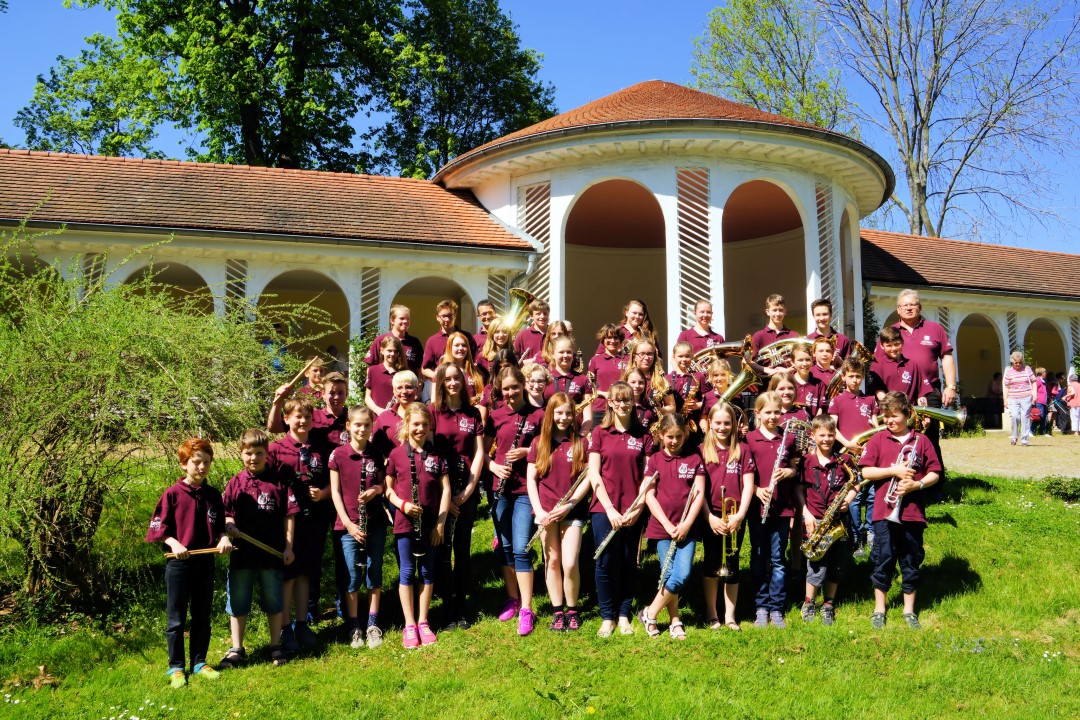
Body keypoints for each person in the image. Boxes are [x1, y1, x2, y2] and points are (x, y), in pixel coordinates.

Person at [146, 437, 233, 687]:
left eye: (206, 462)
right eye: (196, 462)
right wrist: (174, 543)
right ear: (184, 464)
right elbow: (159, 529)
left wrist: (223, 538)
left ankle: (199, 662)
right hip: (179, 565)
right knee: (176, 619)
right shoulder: (172, 494)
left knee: (202, 615)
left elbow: (219, 527)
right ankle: (176, 667)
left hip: (205, 562)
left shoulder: (213, 495)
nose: (202, 467)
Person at [859, 392, 942, 630]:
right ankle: (879, 609)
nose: (889, 420)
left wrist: (918, 484)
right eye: (885, 416)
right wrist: (893, 471)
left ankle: (909, 610)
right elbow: (866, 472)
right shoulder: (878, 439)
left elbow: (935, 473)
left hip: (912, 513)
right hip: (884, 512)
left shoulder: (921, 441)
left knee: (910, 561)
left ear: (907, 414)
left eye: (894, 415)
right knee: (882, 559)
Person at [220, 429, 298, 668]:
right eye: (248, 453)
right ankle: (236, 648)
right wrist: (230, 525)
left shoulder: (279, 482)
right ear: (241, 454)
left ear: (267, 454)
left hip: (271, 554)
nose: (253, 458)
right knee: (238, 600)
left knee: (274, 600)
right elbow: (226, 513)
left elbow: (289, 516)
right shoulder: (235, 482)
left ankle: (275, 645)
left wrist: (288, 547)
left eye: (259, 453)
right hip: (242, 554)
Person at [267, 397, 333, 655]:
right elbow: (268, 483)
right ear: (286, 419)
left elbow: (333, 479)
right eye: (297, 416)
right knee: (289, 573)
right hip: (286, 521)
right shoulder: (276, 449)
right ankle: (285, 627)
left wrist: (323, 493)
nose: (303, 421)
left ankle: (302, 624)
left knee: (306, 571)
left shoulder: (320, 448)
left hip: (314, 519)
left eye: (307, 416)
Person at [589, 381, 654, 638]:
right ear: (611, 403)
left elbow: (648, 477)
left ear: (633, 403)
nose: (623, 404)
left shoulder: (644, 436)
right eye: (618, 400)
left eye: (627, 399)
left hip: (632, 509)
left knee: (629, 561)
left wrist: (638, 508)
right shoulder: (600, 433)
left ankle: (624, 614)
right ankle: (607, 617)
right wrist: (609, 509)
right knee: (605, 562)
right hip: (603, 508)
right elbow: (594, 474)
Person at [485, 365, 546, 635]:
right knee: (505, 546)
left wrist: (527, 450)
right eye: (505, 389)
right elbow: (482, 452)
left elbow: (550, 448)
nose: (510, 393)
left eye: (514, 387)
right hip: (500, 487)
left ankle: (527, 608)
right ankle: (513, 598)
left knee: (521, 547)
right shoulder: (495, 415)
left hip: (524, 489)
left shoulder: (538, 415)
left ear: (523, 385)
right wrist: (493, 467)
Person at [385, 403, 451, 648]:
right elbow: (387, 490)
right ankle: (409, 624)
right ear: (406, 425)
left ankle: (424, 621)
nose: (420, 428)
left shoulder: (437, 455)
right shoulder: (396, 454)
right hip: (405, 522)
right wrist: (402, 505)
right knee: (406, 572)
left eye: (424, 424)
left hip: (431, 524)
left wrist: (440, 523)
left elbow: (446, 490)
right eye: (415, 424)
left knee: (426, 571)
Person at [526, 392, 591, 632]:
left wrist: (570, 504)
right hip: (546, 512)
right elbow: (531, 479)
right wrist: (539, 511)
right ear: (550, 414)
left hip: (572, 510)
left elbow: (588, 477)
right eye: (559, 413)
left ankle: (572, 609)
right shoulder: (538, 443)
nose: (564, 418)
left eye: (568, 413)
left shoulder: (581, 442)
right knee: (552, 561)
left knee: (570, 561)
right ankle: (557, 611)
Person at [639, 414, 706, 640]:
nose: (674, 441)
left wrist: (686, 524)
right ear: (661, 435)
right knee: (667, 574)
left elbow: (699, 494)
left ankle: (649, 613)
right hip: (662, 528)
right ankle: (675, 620)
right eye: (669, 437)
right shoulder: (655, 460)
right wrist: (668, 525)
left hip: (687, 528)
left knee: (682, 573)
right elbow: (649, 495)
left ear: (685, 435)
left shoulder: (694, 458)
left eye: (679, 436)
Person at [430, 362, 485, 630]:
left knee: (462, 549)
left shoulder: (472, 412)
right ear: (441, 383)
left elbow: (479, 452)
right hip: (440, 490)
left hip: (466, 489)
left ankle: (461, 605)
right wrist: (446, 496)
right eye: (448, 379)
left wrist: (468, 490)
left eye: (457, 378)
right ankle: (446, 605)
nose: (453, 383)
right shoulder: (433, 412)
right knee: (442, 549)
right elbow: (428, 451)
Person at [329, 407, 387, 650]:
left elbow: (384, 484)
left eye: (366, 425)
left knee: (374, 572)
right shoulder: (338, 454)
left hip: (375, 523)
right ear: (348, 426)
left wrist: (376, 490)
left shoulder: (376, 453)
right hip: (348, 526)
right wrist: (349, 525)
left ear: (372, 427)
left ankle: (373, 624)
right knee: (352, 577)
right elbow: (335, 492)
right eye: (357, 424)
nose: (362, 429)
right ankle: (354, 626)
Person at [745, 391, 801, 629]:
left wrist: (789, 472)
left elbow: (795, 468)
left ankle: (777, 607)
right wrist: (757, 490)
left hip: (782, 508)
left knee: (778, 559)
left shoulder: (788, 438)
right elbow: (744, 475)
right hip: (758, 508)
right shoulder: (749, 439)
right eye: (767, 412)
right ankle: (761, 606)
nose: (772, 416)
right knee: (759, 558)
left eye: (777, 412)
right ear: (758, 413)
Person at [797, 415, 856, 626]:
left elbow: (856, 483)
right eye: (822, 435)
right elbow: (798, 490)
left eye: (831, 435)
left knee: (837, 564)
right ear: (813, 435)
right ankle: (809, 602)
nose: (827, 439)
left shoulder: (844, 460)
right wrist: (806, 514)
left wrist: (848, 500)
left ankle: (828, 603)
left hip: (838, 521)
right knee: (816, 562)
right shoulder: (806, 461)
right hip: (815, 520)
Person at [700, 403, 755, 631]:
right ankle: (712, 614)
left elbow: (749, 485)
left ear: (734, 424)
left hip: (734, 517)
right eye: (718, 423)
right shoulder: (701, 451)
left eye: (727, 423)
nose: (722, 427)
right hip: (711, 516)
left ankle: (730, 616)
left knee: (732, 563)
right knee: (711, 563)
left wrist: (740, 515)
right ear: (710, 424)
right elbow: (698, 490)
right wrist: (709, 517)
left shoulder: (743, 449)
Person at [828, 358, 879, 557]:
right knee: (855, 497)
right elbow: (832, 427)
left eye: (858, 376)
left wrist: (873, 438)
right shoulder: (837, 400)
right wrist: (848, 444)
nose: (855, 380)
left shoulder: (870, 400)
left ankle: (871, 532)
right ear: (843, 377)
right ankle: (857, 536)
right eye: (851, 376)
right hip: (848, 456)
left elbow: (875, 426)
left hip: (869, 455)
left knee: (872, 495)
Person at [868, 327, 932, 406]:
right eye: (889, 345)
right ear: (882, 345)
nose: (893, 349)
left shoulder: (913, 365)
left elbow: (921, 394)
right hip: (887, 411)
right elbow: (879, 392)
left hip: (908, 412)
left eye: (897, 344)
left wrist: (924, 411)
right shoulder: (877, 364)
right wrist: (892, 408)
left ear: (902, 342)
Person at [544, 335, 594, 431]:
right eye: (561, 352)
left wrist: (581, 436)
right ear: (553, 354)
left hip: (575, 433)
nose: (565, 355)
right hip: (549, 433)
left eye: (569, 352)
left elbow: (588, 417)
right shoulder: (545, 378)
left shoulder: (583, 379)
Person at [363, 304, 425, 374]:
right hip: (384, 379)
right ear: (392, 320)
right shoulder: (381, 340)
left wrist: (419, 378)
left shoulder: (414, 342)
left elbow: (419, 367)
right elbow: (371, 366)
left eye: (408, 319)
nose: (405, 321)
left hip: (408, 380)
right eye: (401, 318)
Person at [372, 370, 420, 456]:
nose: (404, 391)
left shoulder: (425, 415)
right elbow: (375, 448)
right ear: (393, 391)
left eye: (409, 387)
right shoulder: (384, 417)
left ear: (416, 390)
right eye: (399, 388)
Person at [422, 299, 473, 381]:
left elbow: (474, 361)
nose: (447, 319)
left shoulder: (466, 336)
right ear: (437, 317)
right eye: (443, 316)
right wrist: (436, 376)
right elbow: (425, 368)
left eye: (450, 316)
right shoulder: (432, 341)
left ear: (455, 316)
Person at [622, 339, 675, 417]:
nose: (646, 357)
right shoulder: (626, 378)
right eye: (642, 354)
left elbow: (672, 407)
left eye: (650, 354)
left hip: (654, 422)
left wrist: (658, 410)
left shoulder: (662, 380)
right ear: (634, 356)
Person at [751, 294, 800, 375]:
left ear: (785, 311)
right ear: (767, 312)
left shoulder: (794, 335)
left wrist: (788, 370)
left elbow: (801, 360)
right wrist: (768, 370)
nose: (778, 314)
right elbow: (748, 362)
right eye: (774, 310)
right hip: (767, 381)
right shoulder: (759, 336)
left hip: (789, 379)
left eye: (781, 310)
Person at [667, 340, 705, 436]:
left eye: (687, 356)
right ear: (673, 357)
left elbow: (708, 400)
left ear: (692, 356)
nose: (684, 359)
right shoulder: (667, 378)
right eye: (680, 356)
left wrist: (698, 405)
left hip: (693, 423)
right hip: (673, 424)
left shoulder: (699, 376)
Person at [589, 323, 627, 418]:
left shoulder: (627, 359)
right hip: (600, 408)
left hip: (622, 407)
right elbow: (589, 386)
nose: (612, 341)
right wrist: (604, 394)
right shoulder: (595, 360)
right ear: (603, 340)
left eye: (616, 338)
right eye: (609, 338)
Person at [439, 330, 487, 403]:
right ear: (450, 347)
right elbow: (436, 400)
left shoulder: (476, 372)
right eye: (457, 345)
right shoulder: (442, 371)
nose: (461, 348)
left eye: (464, 345)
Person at [1002, 351, 1037, 446]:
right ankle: (1014, 436)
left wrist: (1035, 394)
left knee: (1025, 417)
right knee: (1015, 416)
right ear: (1012, 362)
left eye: (1020, 362)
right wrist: (1005, 400)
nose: (1018, 364)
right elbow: (1006, 387)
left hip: (1026, 396)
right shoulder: (1009, 372)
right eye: (1016, 363)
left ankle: (1024, 440)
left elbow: (1034, 381)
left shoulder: (1027, 369)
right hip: (1013, 397)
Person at [364, 335, 406, 415]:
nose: (392, 354)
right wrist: (378, 410)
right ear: (382, 350)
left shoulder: (402, 372)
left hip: (398, 416)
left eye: (395, 351)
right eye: (389, 351)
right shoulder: (373, 370)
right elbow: (367, 397)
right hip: (378, 416)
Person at [807, 298, 852, 367]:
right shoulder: (807, 340)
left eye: (825, 314)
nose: (821, 318)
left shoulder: (843, 340)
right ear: (813, 316)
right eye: (818, 315)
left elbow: (851, 370)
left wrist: (839, 361)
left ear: (831, 315)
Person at [789, 341, 826, 416]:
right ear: (792, 362)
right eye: (800, 360)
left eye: (808, 359)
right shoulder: (787, 382)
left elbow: (820, 408)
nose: (804, 364)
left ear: (812, 361)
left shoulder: (819, 384)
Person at [513, 298, 550, 365]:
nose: (542, 316)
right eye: (538, 314)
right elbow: (514, 362)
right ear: (531, 316)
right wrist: (533, 361)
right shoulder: (522, 335)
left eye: (545, 313)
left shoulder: (554, 333)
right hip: (528, 371)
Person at [1033, 368, 1049, 436]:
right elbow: (1034, 389)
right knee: (1039, 417)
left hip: (1043, 402)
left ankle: (1042, 432)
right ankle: (1031, 430)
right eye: (1045, 372)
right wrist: (1034, 399)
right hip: (1039, 401)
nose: (1046, 373)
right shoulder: (1038, 380)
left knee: (1044, 417)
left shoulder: (1043, 381)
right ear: (1042, 373)